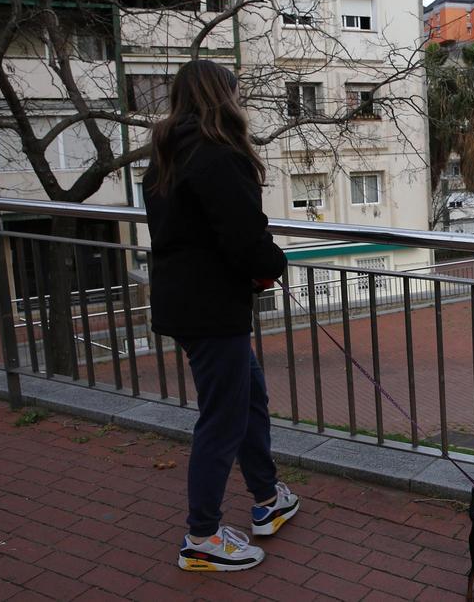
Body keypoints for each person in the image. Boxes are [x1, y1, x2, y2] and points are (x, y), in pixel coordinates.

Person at [144, 59, 298, 572]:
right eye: (235, 92)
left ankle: (266, 497)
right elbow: (242, 236)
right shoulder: (218, 154)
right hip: (211, 309)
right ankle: (202, 537)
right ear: (222, 96)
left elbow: (194, 231)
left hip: (185, 303)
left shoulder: (169, 153)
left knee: (248, 395)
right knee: (223, 419)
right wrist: (271, 264)